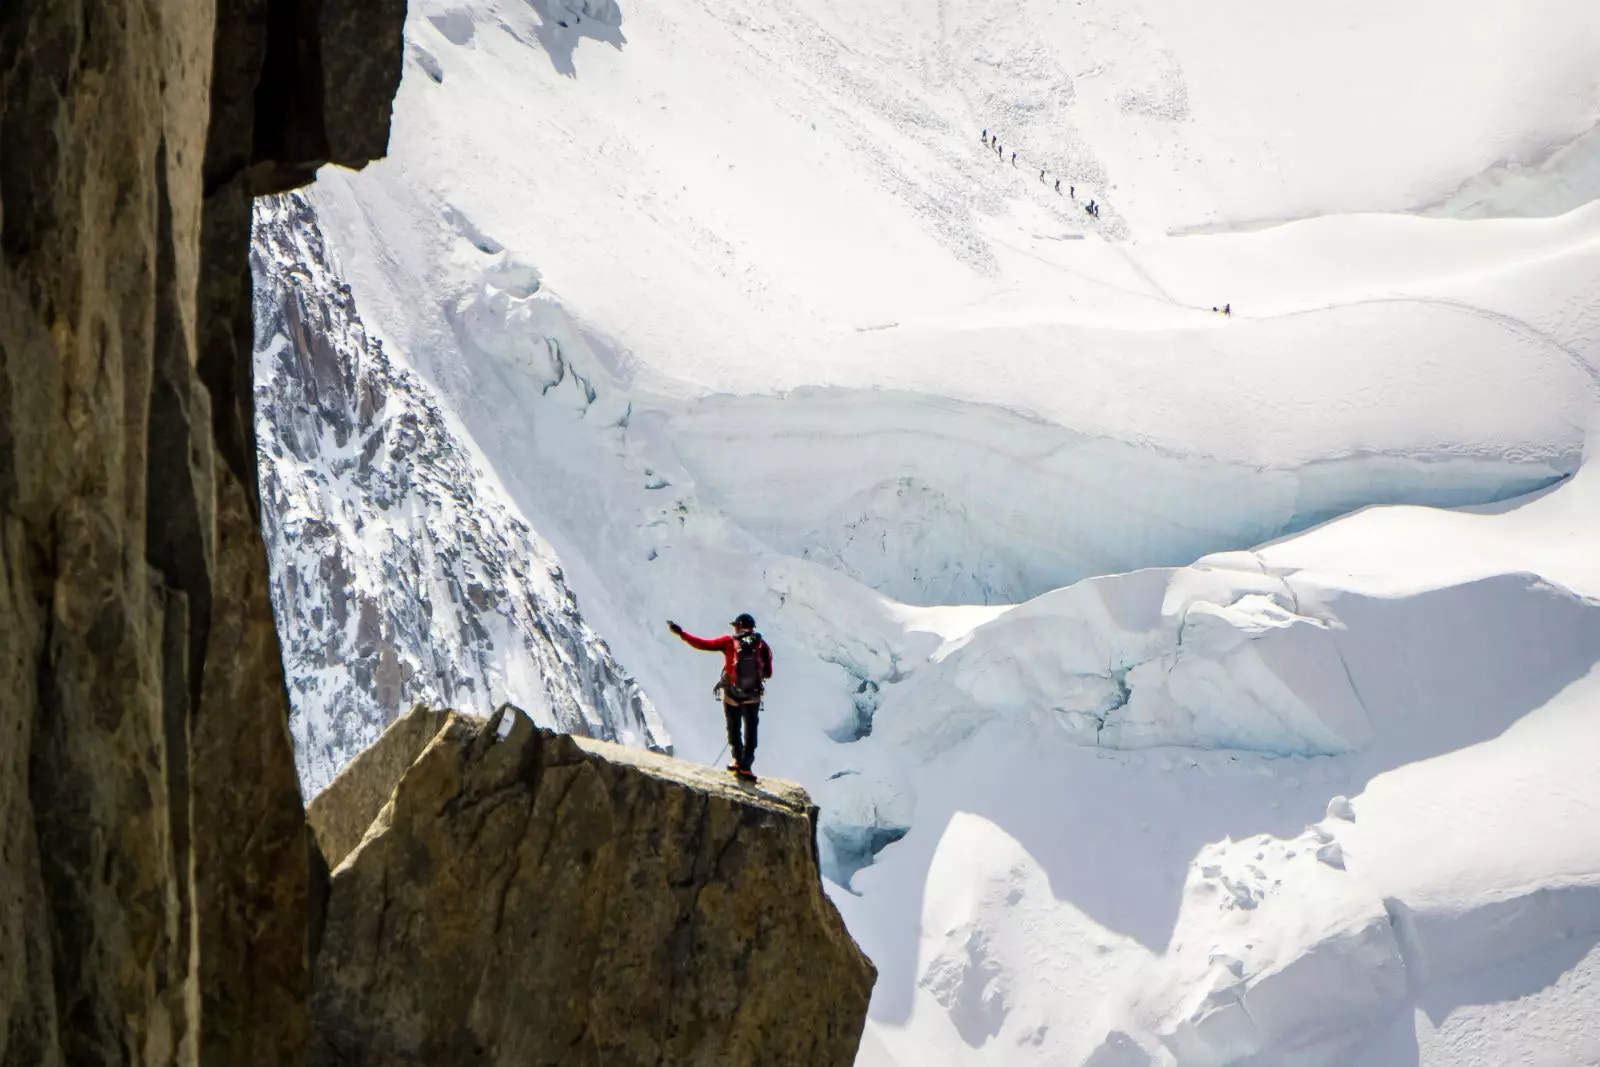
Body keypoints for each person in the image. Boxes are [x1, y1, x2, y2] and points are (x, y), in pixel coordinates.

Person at [668, 614, 773, 777]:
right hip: (752, 696)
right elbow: (768, 673)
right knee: (750, 731)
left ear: (739, 625)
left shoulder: (728, 642)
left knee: (733, 728)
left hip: (731, 694)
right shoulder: (762, 646)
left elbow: (703, 644)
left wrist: (682, 634)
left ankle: (737, 759)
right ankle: (746, 766)